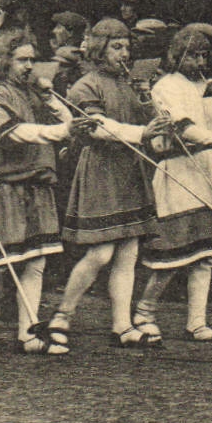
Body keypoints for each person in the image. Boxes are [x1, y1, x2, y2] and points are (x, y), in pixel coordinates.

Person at [0, 29, 91, 353]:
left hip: (37, 185)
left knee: (36, 261)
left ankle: (28, 332)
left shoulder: (32, 94)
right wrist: (60, 130)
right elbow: (13, 135)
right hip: (3, 186)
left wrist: (50, 97)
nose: (30, 66)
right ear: (4, 61)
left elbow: (68, 122)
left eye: (33, 60)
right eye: (22, 60)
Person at [50, 19, 166, 346]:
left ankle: (122, 325)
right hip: (101, 171)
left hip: (129, 170)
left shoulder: (130, 83)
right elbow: (96, 127)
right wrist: (141, 132)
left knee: (128, 253)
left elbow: (148, 123)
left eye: (127, 47)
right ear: (100, 48)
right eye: (117, 47)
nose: (124, 53)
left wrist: (146, 100)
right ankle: (62, 315)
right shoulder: (85, 85)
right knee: (100, 254)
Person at [134, 29, 212, 342]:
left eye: (204, 56)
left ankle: (197, 323)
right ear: (177, 55)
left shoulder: (209, 86)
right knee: (174, 251)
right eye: (192, 55)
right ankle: (144, 313)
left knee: (206, 253)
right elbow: (183, 128)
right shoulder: (166, 86)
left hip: (211, 172)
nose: (199, 62)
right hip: (180, 172)